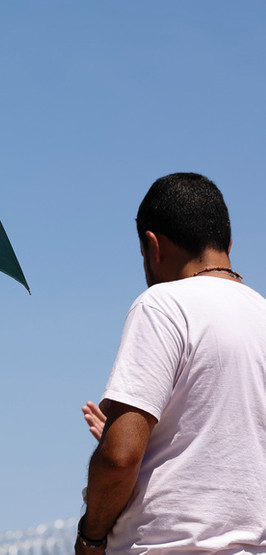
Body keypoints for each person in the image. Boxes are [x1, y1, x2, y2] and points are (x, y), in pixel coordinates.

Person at [76, 173, 266, 554]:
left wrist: (91, 538)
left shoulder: (162, 306)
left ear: (153, 246)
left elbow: (119, 458)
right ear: (228, 243)